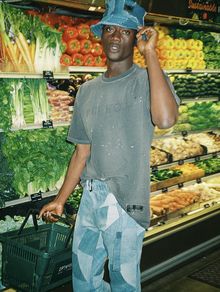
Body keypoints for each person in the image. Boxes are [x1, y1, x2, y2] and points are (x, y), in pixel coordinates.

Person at [40, 0, 180, 291]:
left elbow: (165, 119)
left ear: (135, 37)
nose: (116, 36)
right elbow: (82, 151)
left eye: (125, 31)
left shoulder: (146, 80)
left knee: (124, 283)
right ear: (101, 35)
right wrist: (61, 199)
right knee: (83, 278)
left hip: (126, 199)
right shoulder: (88, 91)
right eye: (110, 29)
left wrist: (150, 54)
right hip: (91, 197)